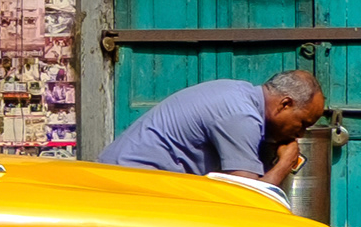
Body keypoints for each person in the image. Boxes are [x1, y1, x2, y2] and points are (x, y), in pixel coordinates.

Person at [99, 68, 326, 191]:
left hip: (130, 181)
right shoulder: (241, 116)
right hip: (127, 188)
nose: (301, 134)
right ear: (285, 104)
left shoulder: (239, 94)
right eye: (303, 123)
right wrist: (285, 163)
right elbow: (247, 199)